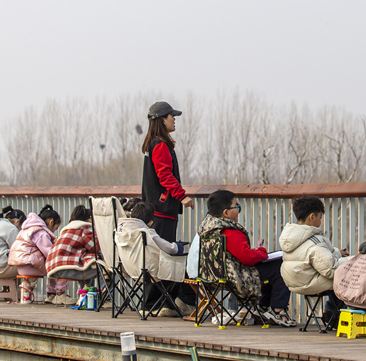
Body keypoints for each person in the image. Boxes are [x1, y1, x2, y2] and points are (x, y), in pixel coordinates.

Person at [197, 190, 296, 327]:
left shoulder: (210, 230)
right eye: (237, 207)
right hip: (238, 276)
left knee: (271, 268)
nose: (239, 210)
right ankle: (277, 309)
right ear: (226, 213)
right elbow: (247, 258)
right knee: (281, 265)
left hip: (215, 275)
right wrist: (261, 251)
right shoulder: (229, 232)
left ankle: (263, 307)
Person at [279, 196, 348, 330]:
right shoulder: (315, 242)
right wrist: (351, 261)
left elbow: (316, 257)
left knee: (337, 276)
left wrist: (338, 253)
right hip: (310, 282)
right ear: (312, 216)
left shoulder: (292, 237)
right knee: (347, 277)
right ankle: (335, 314)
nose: (321, 221)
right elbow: (331, 269)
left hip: (295, 281)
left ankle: (331, 313)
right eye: (320, 217)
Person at [116, 201, 196, 317]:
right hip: (151, 272)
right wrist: (178, 246)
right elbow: (169, 249)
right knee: (185, 263)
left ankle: (166, 305)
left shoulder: (121, 232)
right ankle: (185, 300)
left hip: (130, 271)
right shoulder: (146, 232)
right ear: (150, 222)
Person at [141, 101, 194, 242]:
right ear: (163, 119)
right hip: (162, 211)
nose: (174, 119)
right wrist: (182, 196)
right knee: (164, 255)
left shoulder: (152, 143)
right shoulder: (160, 145)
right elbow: (165, 175)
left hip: (154, 210)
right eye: (172, 115)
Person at [9, 205, 71, 303]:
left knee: (50, 264)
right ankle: (60, 294)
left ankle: (51, 295)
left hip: (22, 264)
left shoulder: (28, 228)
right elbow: (49, 252)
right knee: (59, 265)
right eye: (55, 227)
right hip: (29, 265)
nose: (54, 231)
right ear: (51, 222)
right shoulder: (40, 232)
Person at [45, 205, 100, 306]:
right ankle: (103, 297)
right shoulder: (85, 227)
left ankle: (84, 295)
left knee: (87, 262)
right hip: (68, 269)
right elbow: (95, 247)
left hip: (54, 270)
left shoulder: (67, 229)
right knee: (99, 265)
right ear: (89, 219)